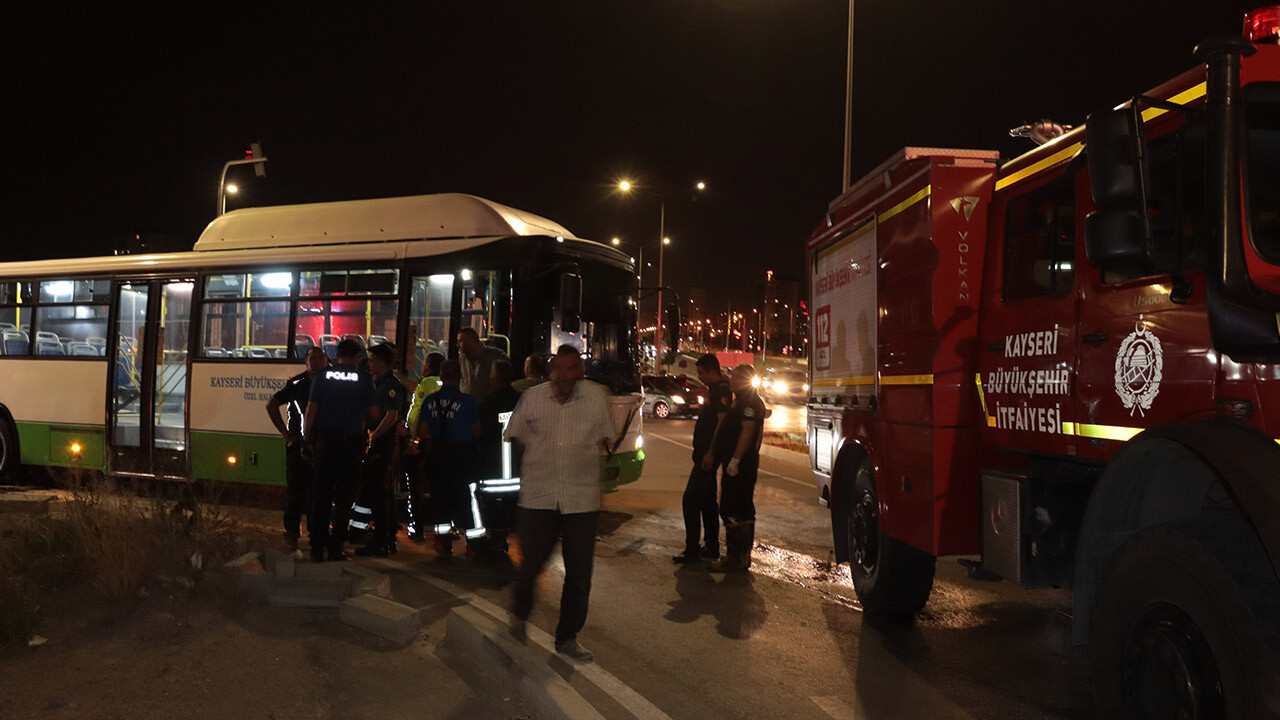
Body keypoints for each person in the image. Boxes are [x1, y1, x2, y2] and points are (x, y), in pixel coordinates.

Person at [504, 346, 616, 663]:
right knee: (530, 567)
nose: (566, 376)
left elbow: (602, 443)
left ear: (580, 372)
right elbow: (516, 436)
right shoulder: (533, 398)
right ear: (551, 370)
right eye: (560, 369)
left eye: (572, 369)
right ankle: (520, 616)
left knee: (580, 575)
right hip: (538, 497)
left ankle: (567, 637)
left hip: (581, 499)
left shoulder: (596, 398)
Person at [304, 339, 378, 563]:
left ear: (337, 356)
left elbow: (311, 411)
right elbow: (374, 413)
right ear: (357, 357)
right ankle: (336, 547)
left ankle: (317, 547)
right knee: (344, 499)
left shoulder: (322, 377)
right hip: (351, 445)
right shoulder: (364, 380)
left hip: (325, 444)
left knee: (322, 497)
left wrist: (308, 439)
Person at [265, 346, 328, 552]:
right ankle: (291, 533)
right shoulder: (297, 384)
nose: (318, 361)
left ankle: (316, 533)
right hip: (299, 446)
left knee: (319, 492)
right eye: (313, 358)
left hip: (323, 445)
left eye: (321, 357)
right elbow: (272, 405)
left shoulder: (332, 382)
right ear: (306, 362)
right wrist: (287, 435)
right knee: (295, 492)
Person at [418, 359, 481, 557]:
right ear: (460, 377)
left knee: (440, 501)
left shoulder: (430, 401)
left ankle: (443, 545)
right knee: (465, 501)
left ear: (442, 377)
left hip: (437, 456)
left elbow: (421, 431)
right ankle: (473, 545)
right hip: (461, 457)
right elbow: (477, 432)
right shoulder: (468, 402)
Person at [672, 353, 732, 564]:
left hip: (707, 458)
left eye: (701, 373)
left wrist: (710, 453)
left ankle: (692, 550)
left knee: (690, 500)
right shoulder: (717, 390)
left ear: (711, 371)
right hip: (705, 455)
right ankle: (712, 547)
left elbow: (721, 424)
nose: (700, 377)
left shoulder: (722, 392)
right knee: (707, 503)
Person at [710, 363, 767, 573]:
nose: (730, 380)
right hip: (741, 461)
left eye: (735, 377)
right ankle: (741, 556)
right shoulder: (741, 400)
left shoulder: (749, 401)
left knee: (733, 507)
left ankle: (736, 556)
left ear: (744, 380)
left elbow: (748, 431)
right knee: (741, 507)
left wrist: (736, 460)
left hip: (740, 464)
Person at [356, 342, 405, 557]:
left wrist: (372, 437)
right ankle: (385, 537)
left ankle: (381, 540)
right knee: (379, 492)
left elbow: (391, 416)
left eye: (373, 359)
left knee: (379, 493)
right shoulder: (374, 382)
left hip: (382, 444)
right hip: (374, 442)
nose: (369, 362)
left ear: (383, 363)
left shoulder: (391, 385)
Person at [478, 359, 521, 481]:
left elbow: (481, 433)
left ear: (494, 378)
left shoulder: (487, 404)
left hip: (492, 464)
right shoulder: (520, 400)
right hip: (516, 466)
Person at [457, 327, 508, 397]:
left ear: (473, 340)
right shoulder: (460, 359)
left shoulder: (497, 356)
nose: (457, 345)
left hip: (489, 404)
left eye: (460, 341)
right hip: (465, 405)